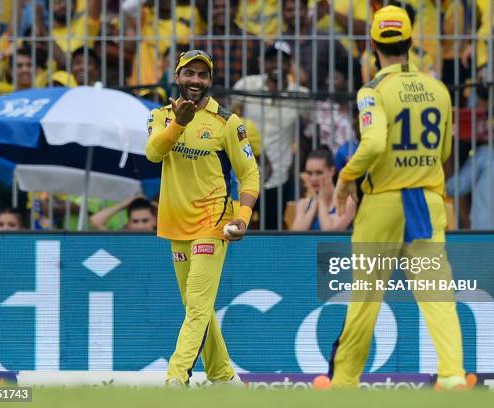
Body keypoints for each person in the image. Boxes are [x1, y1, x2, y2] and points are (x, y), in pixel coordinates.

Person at [331, 6, 466, 390]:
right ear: (410, 42)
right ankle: (454, 376)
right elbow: (443, 153)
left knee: (366, 297)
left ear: (373, 45)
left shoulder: (373, 92)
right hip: (426, 200)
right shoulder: (439, 90)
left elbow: (372, 144)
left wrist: (346, 178)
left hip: (383, 203)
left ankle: (343, 382)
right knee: (438, 295)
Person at [145, 50, 260, 386]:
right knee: (200, 308)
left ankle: (175, 379)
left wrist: (243, 216)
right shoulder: (161, 116)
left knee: (196, 305)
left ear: (210, 80)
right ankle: (224, 377)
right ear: (177, 77)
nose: (195, 80)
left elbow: (249, 174)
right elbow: (153, 154)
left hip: (214, 222)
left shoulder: (227, 122)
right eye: (189, 74)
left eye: (202, 75)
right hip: (175, 224)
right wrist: (180, 122)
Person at [232, 41, 310, 230]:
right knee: (237, 229)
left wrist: (296, 168)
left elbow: (307, 135)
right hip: (242, 174)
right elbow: (231, 119)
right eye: (271, 60)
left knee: (272, 231)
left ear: (290, 65)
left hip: (278, 177)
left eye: (282, 61)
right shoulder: (246, 85)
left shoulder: (301, 96)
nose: (276, 65)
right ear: (262, 63)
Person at [290, 148, 356, 231]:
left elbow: (329, 234)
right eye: (309, 173)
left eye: (319, 173)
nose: (313, 178)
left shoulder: (346, 201)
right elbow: (295, 236)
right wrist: (315, 204)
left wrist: (321, 201)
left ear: (332, 171)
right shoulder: (303, 204)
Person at [89, 195, 156, 231]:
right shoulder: (121, 241)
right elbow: (95, 221)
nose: (140, 226)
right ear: (129, 223)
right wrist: (123, 204)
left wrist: (157, 206)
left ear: (155, 220)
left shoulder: (164, 238)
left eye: (145, 221)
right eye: (135, 221)